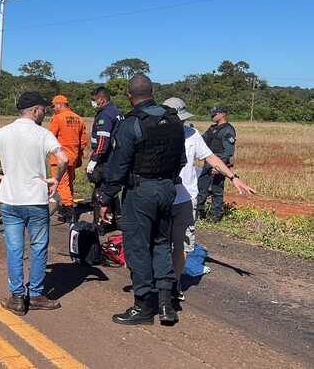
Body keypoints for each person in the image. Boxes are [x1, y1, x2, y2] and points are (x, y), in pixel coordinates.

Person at [98, 74, 185, 326]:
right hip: (167, 189)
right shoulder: (173, 120)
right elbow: (181, 160)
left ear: (129, 95)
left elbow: (118, 166)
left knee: (137, 247)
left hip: (141, 192)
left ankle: (143, 307)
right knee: (160, 244)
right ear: (153, 91)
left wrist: (106, 197)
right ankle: (167, 305)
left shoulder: (130, 124)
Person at [0, 91, 69, 316]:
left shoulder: (3, 132)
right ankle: (35, 294)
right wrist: (56, 179)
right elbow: (63, 158)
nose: (44, 112)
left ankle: (16, 298)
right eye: (43, 109)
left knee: (14, 249)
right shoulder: (42, 134)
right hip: (35, 200)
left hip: (10, 199)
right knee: (38, 246)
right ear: (34, 111)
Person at [162, 98, 255, 300]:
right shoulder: (155, 134)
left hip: (187, 200)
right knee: (160, 244)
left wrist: (233, 177)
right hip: (161, 199)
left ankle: (174, 284)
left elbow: (211, 156)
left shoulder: (192, 134)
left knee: (183, 245)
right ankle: (160, 283)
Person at [48, 94, 87, 224]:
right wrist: (79, 156)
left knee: (62, 185)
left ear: (59, 104)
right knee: (68, 184)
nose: (53, 108)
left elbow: (50, 137)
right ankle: (66, 210)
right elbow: (83, 141)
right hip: (73, 157)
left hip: (59, 158)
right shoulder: (79, 119)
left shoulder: (57, 118)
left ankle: (68, 212)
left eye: (54, 106)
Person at [87, 87, 123, 226]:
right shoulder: (117, 112)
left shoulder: (105, 115)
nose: (93, 103)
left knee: (101, 190)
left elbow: (103, 140)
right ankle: (115, 220)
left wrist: (94, 160)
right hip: (116, 157)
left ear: (101, 100)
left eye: (94, 100)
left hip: (106, 159)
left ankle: (100, 224)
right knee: (112, 188)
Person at [196, 106, 236, 221]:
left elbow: (228, 152)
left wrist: (219, 167)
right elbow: (202, 140)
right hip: (208, 162)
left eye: (215, 114)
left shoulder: (228, 130)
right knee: (201, 188)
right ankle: (199, 213)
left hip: (219, 164)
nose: (212, 116)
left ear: (223, 114)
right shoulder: (212, 128)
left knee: (216, 190)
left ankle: (215, 215)